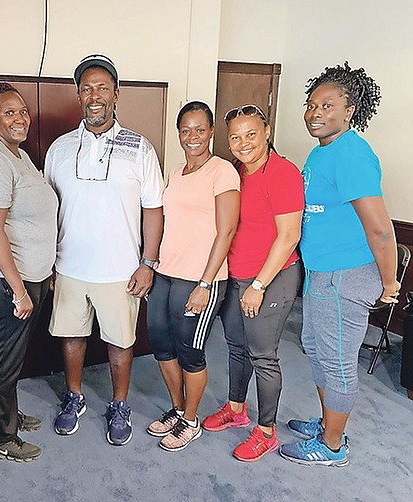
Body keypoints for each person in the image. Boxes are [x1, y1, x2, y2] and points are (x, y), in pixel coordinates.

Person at [280, 63, 399, 467]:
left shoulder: (351, 154)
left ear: (350, 111)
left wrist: (390, 282)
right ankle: (329, 423)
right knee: (315, 347)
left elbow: (381, 230)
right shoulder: (321, 151)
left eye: (327, 105)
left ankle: (333, 446)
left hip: (346, 275)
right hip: (321, 272)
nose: (314, 112)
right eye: (311, 104)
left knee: (338, 360)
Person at [45, 54, 164, 446]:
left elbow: (153, 210)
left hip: (120, 271)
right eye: (86, 88)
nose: (94, 95)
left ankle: (119, 404)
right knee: (72, 336)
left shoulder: (140, 148)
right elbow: (48, 209)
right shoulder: (60, 149)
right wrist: (48, 263)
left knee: (120, 341)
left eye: (102, 87)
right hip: (70, 267)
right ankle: (75, 396)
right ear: (79, 96)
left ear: (116, 93)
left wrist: (148, 262)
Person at [201, 104, 304, 462]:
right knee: (236, 347)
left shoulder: (283, 173)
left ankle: (266, 431)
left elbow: (288, 236)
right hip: (237, 275)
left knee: (263, 356)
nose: (243, 143)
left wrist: (258, 286)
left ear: (267, 132)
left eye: (251, 134)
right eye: (235, 136)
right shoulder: (235, 173)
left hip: (271, 278)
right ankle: (236, 409)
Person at [0, 83, 58, 462]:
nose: (19, 118)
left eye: (22, 111)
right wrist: (18, 289)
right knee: (3, 357)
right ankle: (0, 438)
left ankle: (7, 416)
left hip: (24, 276)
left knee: (11, 356)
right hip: (1, 280)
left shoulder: (15, 155)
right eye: (8, 112)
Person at [146, 102, 240, 451]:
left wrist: (205, 283)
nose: (192, 136)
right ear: (178, 133)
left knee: (189, 351)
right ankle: (177, 407)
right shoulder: (174, 172)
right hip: (167, 273)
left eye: (200, 129)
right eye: (186, 129)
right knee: (160, 344)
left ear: (211, 131)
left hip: (201, 279)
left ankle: (191, 419)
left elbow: (226, 231)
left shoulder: (222, 172)